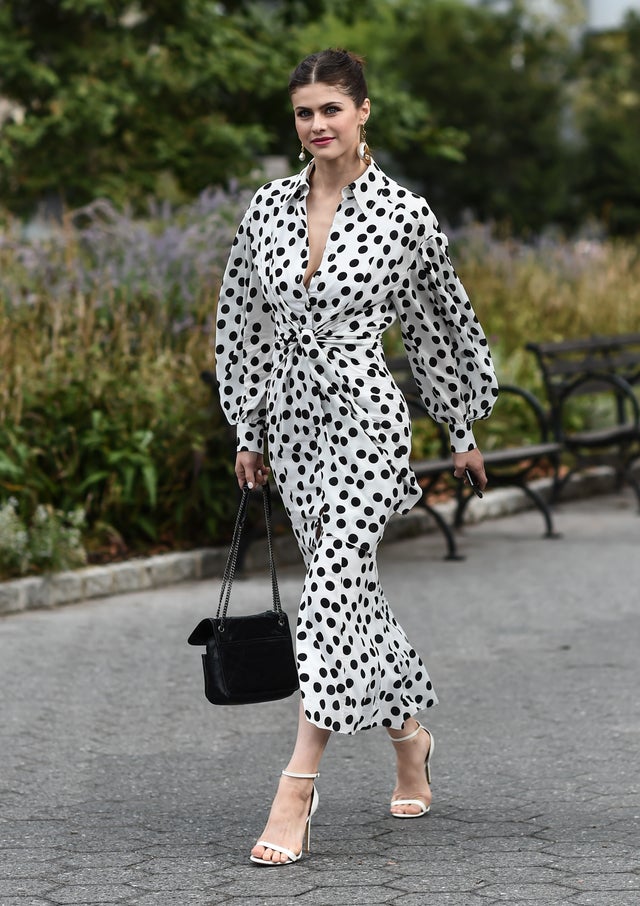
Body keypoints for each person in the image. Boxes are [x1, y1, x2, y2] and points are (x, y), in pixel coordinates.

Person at [215, 48, 498, 866]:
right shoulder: (266, 209)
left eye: (331, 110)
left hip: (366, 425)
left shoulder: (404, 215)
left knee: (332, 586)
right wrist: (249, 428)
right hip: (294, 430)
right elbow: (241, 324)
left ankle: (295, 788)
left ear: (363, 111)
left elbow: (442, 323)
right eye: (304, 112)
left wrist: (461, 426)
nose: (316, 126)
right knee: (354, 603)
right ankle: (410, 737)